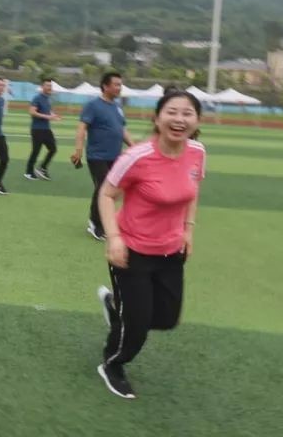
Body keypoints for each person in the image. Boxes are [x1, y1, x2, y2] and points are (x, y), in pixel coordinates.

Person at [94, 90, 206, 400]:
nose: (179, 119)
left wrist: (188, 230)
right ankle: (112, 364)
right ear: (157, 119)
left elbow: (192, 189)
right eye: (172, 112)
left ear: (197, 121)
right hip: (132, 252)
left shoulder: (197, 152)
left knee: (167, 319)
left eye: (187, 113)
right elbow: (106, 194)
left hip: (171, 250)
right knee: (136, 330)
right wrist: (114, 238)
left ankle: (118, 309)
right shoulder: (137, 156)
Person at [70, 72, 135, 240]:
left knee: (111, 189)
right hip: (97, 156)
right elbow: (82, 128)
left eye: (120, 85)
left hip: (115, 156)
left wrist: (134, 147)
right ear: (105, 86)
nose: (119, 88)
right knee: (103, 187)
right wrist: (78, 150)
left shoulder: (118, 107)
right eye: (116, 84)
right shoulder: (93, 105)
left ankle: (103, 220)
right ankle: (95, 223)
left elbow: (122, 130)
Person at [24, 77, 62, 180]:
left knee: (53, 149)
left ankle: (42, 168)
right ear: (42, 87)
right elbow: (32, 112)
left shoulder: (47, 99)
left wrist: (54, 116)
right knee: (36, 151)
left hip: (46, 129)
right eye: (47, 85)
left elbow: (47, 112)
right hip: (37, 129)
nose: (49, 87)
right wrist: (47, 117)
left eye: (50, 86)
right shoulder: (37, 98)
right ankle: (29, 172)